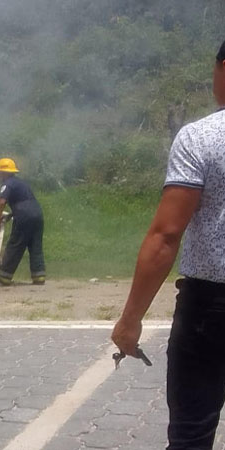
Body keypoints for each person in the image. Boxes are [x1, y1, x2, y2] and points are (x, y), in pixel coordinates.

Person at [112, 40, 225, 450]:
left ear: (223, 69)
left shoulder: (202, 138)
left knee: (192, 433)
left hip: (211, 311)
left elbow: (165, 236)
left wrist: (130, 320)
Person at [0, 158, 45, 285]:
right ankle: (39, 276)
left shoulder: (7, 184)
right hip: (37, 214)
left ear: (4, 173)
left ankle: (5, 276)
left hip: (23, 215)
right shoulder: (21, 183)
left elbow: (1, 202)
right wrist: (11, 215)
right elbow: (25, 201)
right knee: (35, 245)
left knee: (15, 244)